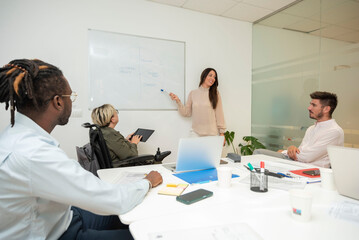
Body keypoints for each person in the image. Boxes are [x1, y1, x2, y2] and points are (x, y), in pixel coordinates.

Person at [0, 59, 163, 240]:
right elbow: (113, 200)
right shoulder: (32, 153)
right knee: (148, 234)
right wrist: (147, 181)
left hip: (63, 217)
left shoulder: (16, 136)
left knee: (133, 215)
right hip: (55, 233)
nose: (72, 102)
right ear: (58, 102)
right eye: (71, 97)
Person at [254, 91, 344, 168]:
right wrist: (291, 148)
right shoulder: (312, 128)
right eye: (310, 104)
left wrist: (285, 151)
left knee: (259, 153)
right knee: (259, 153)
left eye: (314, 105)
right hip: (297, 163)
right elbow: (300, 151)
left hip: (311, 170)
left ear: (326, 109)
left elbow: (306, 157)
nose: (309, 108)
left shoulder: (334, 131)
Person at [169, 68, 226, 138]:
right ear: (204, 76)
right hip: (195, 134)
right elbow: (187, 113)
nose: (213, 78)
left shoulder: (215, 94)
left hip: (211, 135)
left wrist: (222, 133)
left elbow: (219, 114)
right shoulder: (193, 93)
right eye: (210, 75)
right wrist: (178, 101)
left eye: (214, 77)